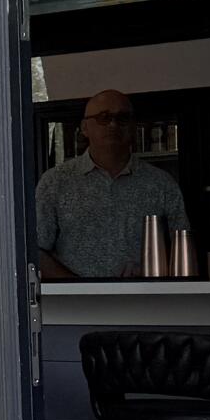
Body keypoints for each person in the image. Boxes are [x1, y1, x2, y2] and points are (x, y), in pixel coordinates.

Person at [36, 89, 184, 279]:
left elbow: (181, 247)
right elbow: (36, 251)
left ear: (133, 126)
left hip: (146, 302)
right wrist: (78, 288)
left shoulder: (161, 183)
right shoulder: (55, 182)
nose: (113, 125)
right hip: (73, 305)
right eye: (103, 117)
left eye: (122, 118)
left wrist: (152, 270)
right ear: (84, 127)